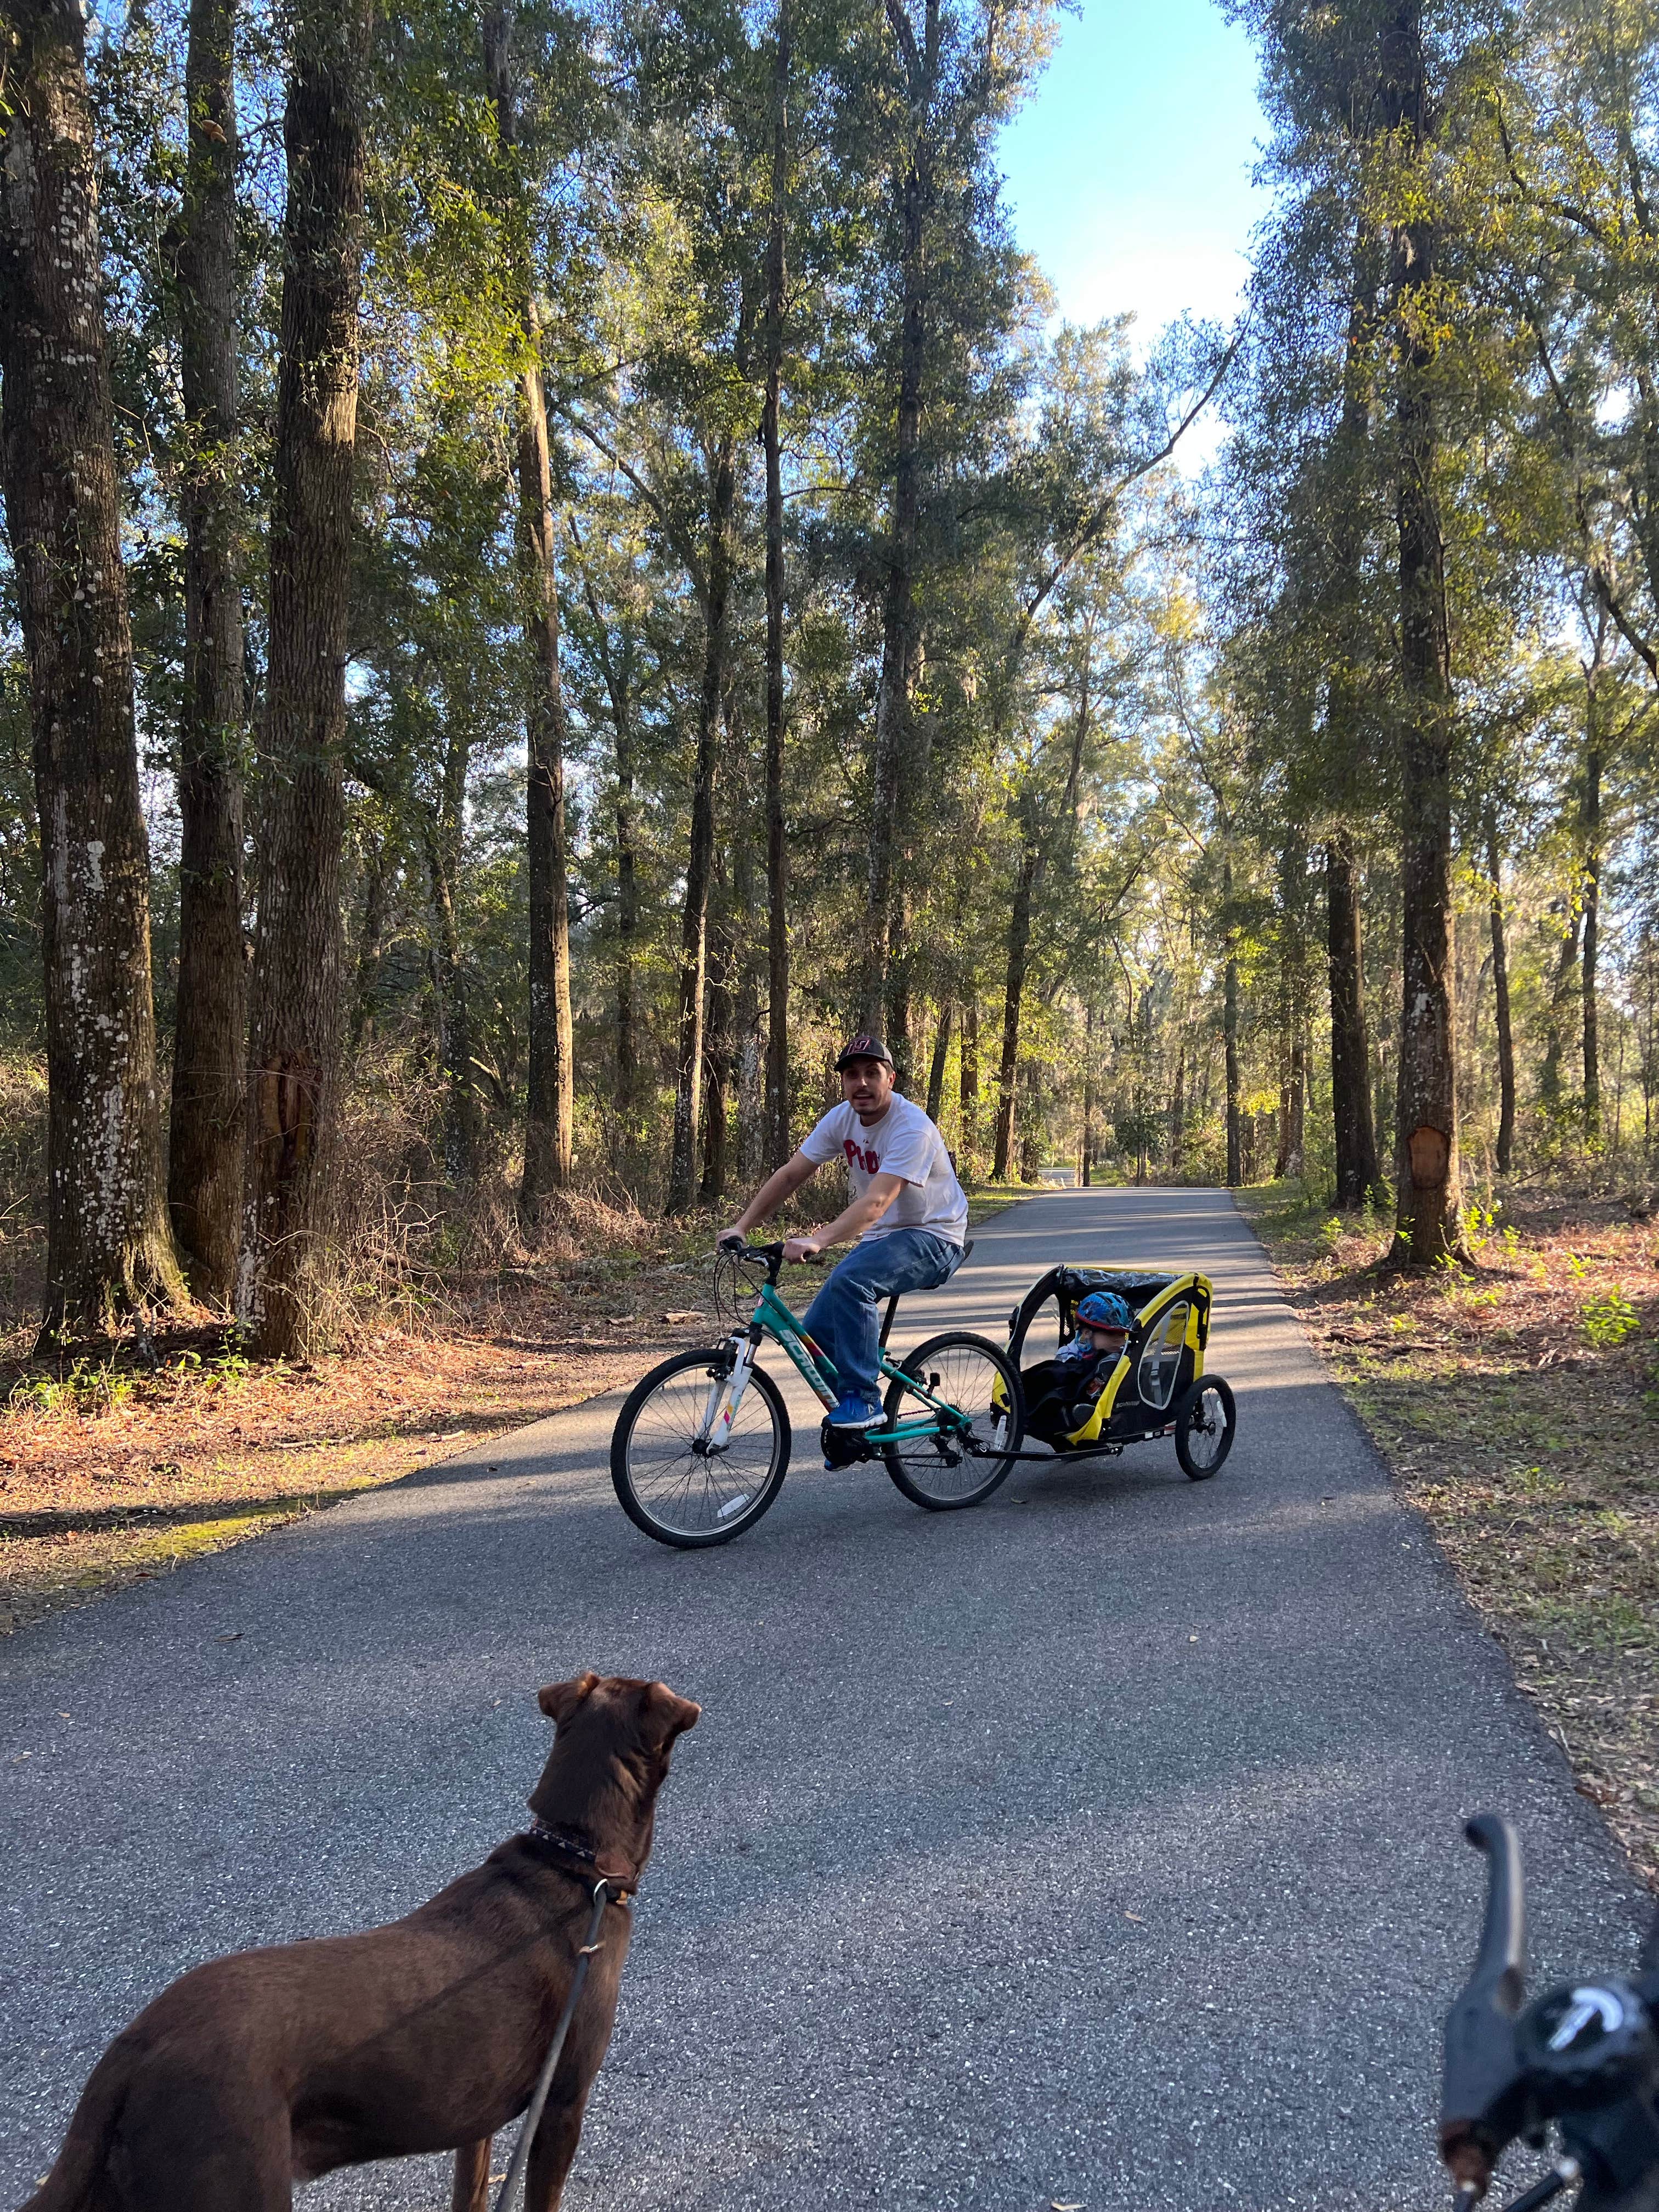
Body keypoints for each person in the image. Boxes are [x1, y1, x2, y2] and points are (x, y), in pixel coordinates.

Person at [719, 1033, 968, 1435]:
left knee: (853, 1283)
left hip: (935, 1236)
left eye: (873, 1073)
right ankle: (857, 1433)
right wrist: (741, 1226)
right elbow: (790, 1175)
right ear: (844, 1082)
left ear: (892, 1079)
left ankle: (864, 1400)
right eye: (852, 1075)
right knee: (817, 1334)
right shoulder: (842, 1119)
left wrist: (819, 1239)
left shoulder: (912, 1127)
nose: (862, 1083)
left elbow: (876, 1204)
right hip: (883, 1239)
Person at [1020, 1289, 1131, 1444]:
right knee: (1058, 1373)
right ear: (1086, 1333)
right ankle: (1077, 1415)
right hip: (1070, 1400)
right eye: (1112, 1335)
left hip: (1108, 1396)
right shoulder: (1069, 1353)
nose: (1119, 1340)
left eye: (1122, 1335)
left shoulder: (1120, 1353)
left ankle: (1089, 1411)